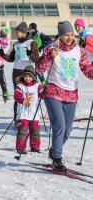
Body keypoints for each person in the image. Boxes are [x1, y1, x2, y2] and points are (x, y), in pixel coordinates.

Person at [36, 21, 93, 172]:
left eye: (70, 34)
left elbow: (87, 69)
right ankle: (57, 158)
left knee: (67, 130)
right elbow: (39, 68)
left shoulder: (79, 51)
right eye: (65, 35)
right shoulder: (52, 48)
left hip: (72, 94)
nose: (69, 37)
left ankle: (55, 149)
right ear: (60, 36)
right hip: (53, 92)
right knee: (59, 125)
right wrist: (49, 56)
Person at [0, 22, 39, 125]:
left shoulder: (31, 42)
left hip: (28, 71)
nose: (16, 34)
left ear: (24, 32)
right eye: (16, 32)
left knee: (30, 94)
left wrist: (31, 54)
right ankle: (18, 119)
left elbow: (36, 59)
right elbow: (11, 58)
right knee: (19, 95)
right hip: (16, 71)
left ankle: (31, 117)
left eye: (18, 32)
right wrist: (3, 55)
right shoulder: (16, 44)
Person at [14, 66, 43, 154]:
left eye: (30, 77)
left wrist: (43, 94)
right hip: (23, 113)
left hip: (34, 113)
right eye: (26, 76)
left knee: (35, 131)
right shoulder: (20, 86)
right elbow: (16, 96)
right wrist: (22, 100)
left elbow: (42, 93)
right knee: (23, 131)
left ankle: (35, 146)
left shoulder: (37, 86)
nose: (28, 78)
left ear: (33, 77)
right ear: (23, 76)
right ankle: (21, 147)